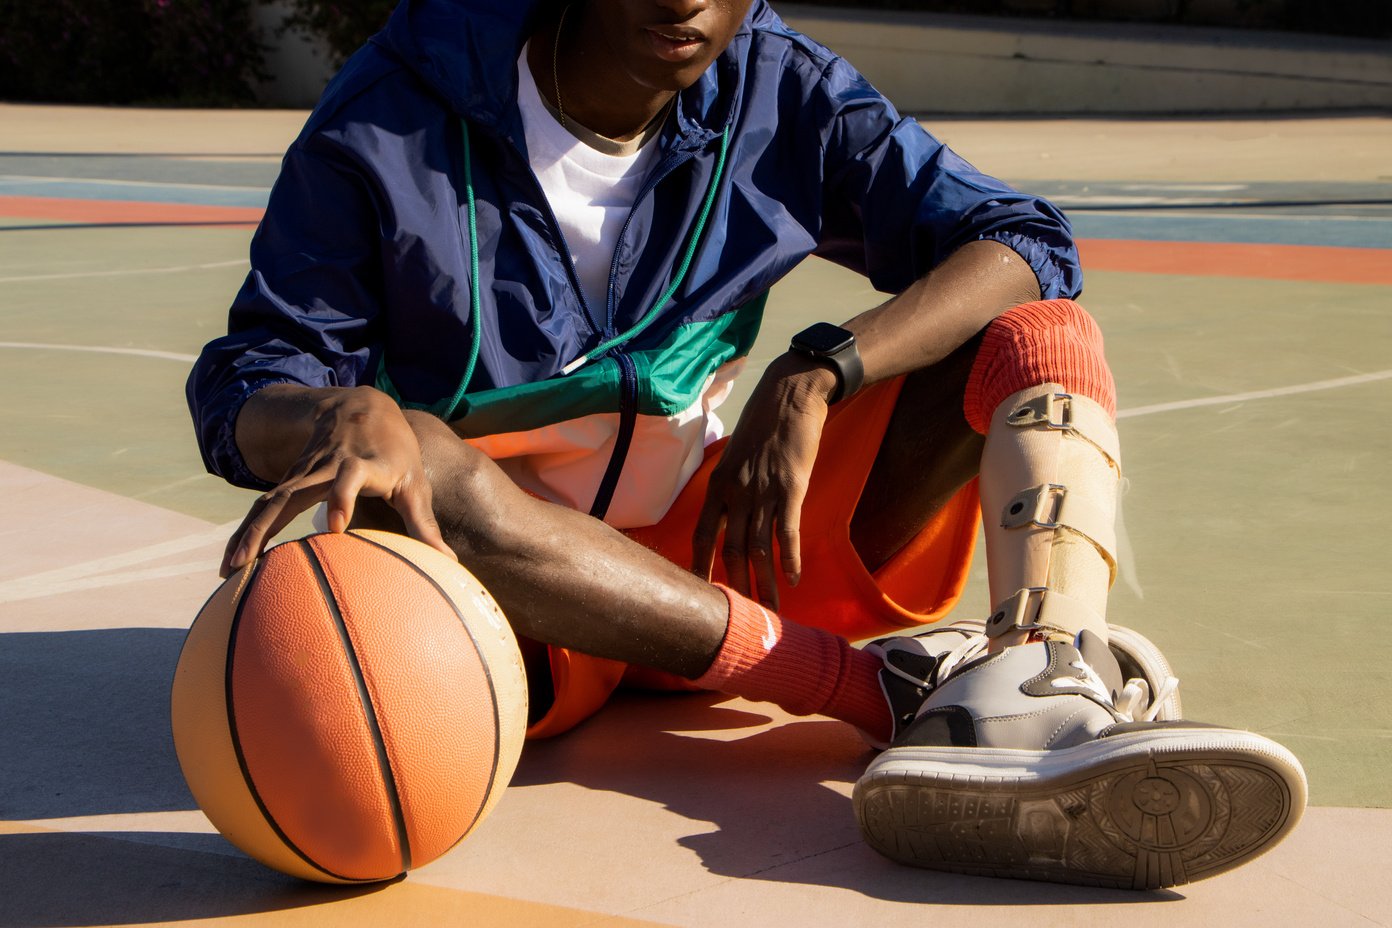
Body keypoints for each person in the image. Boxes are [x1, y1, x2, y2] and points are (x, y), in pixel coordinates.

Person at [188, 0, 1305, 889]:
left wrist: (827, 363)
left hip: (727, 538)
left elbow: (1020, 239)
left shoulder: (778, 84)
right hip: (515, 599)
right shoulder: (395, 113)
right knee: (409, 466)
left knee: (1038, 329)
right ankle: (893, 699)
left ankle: (1052, 686)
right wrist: (333, 412)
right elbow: (245, 381)